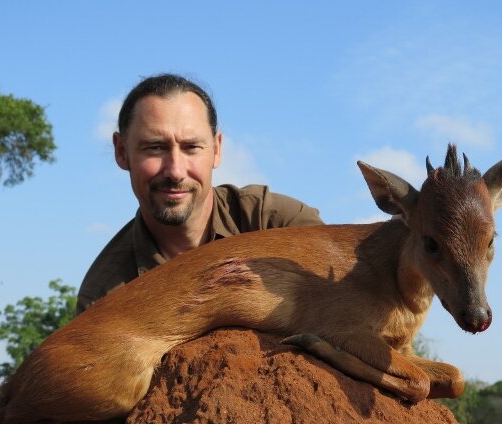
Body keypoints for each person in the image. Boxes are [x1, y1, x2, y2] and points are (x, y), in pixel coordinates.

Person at [77, 74, 323, 314]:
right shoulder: (104, 299)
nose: (175, 171)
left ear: (216, 150)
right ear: (121, 152)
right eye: (155, 148)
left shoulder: (279, 224)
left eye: (191, 147)